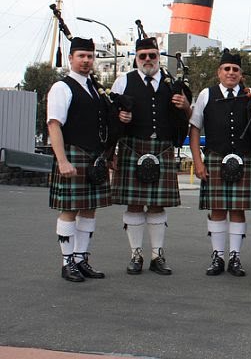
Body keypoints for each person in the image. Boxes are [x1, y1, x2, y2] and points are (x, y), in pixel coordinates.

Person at [111, 36, 191, 275]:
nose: (148, 60)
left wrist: (184, 105)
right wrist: (113, 144)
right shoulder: (123, 81)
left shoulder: (171, 83)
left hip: (163, 148)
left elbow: (188, 116)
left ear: (159, 56)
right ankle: (136, 254)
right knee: (134, 204)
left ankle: (157, 255)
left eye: (152, 55)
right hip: (132, 148)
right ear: (136, 58)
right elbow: (110, 117)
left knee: (157, 204)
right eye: (142, 56)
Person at [189, 50, 251, 276]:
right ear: (219, 72)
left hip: (243, 159)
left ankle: (235, 257)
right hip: (215, 157)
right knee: (217, 210)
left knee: (237, 210)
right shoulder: (207, 94)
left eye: (235, 69)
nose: (231, 73)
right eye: (227, 69)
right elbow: (195, 128)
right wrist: (198, 161)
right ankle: (218, 256)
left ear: (241, 74)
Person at [47, 37, 111, 282]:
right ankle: (67, 263)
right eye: (81, 56)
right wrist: (62, 160)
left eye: (89, 56)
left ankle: (81, 258)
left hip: (93, 157)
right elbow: (54, 125)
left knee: (89, 210)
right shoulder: (62, 87)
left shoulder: (92, 87)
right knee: (69, 210)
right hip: (73, 154)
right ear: (71, 58)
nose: (86, 60)